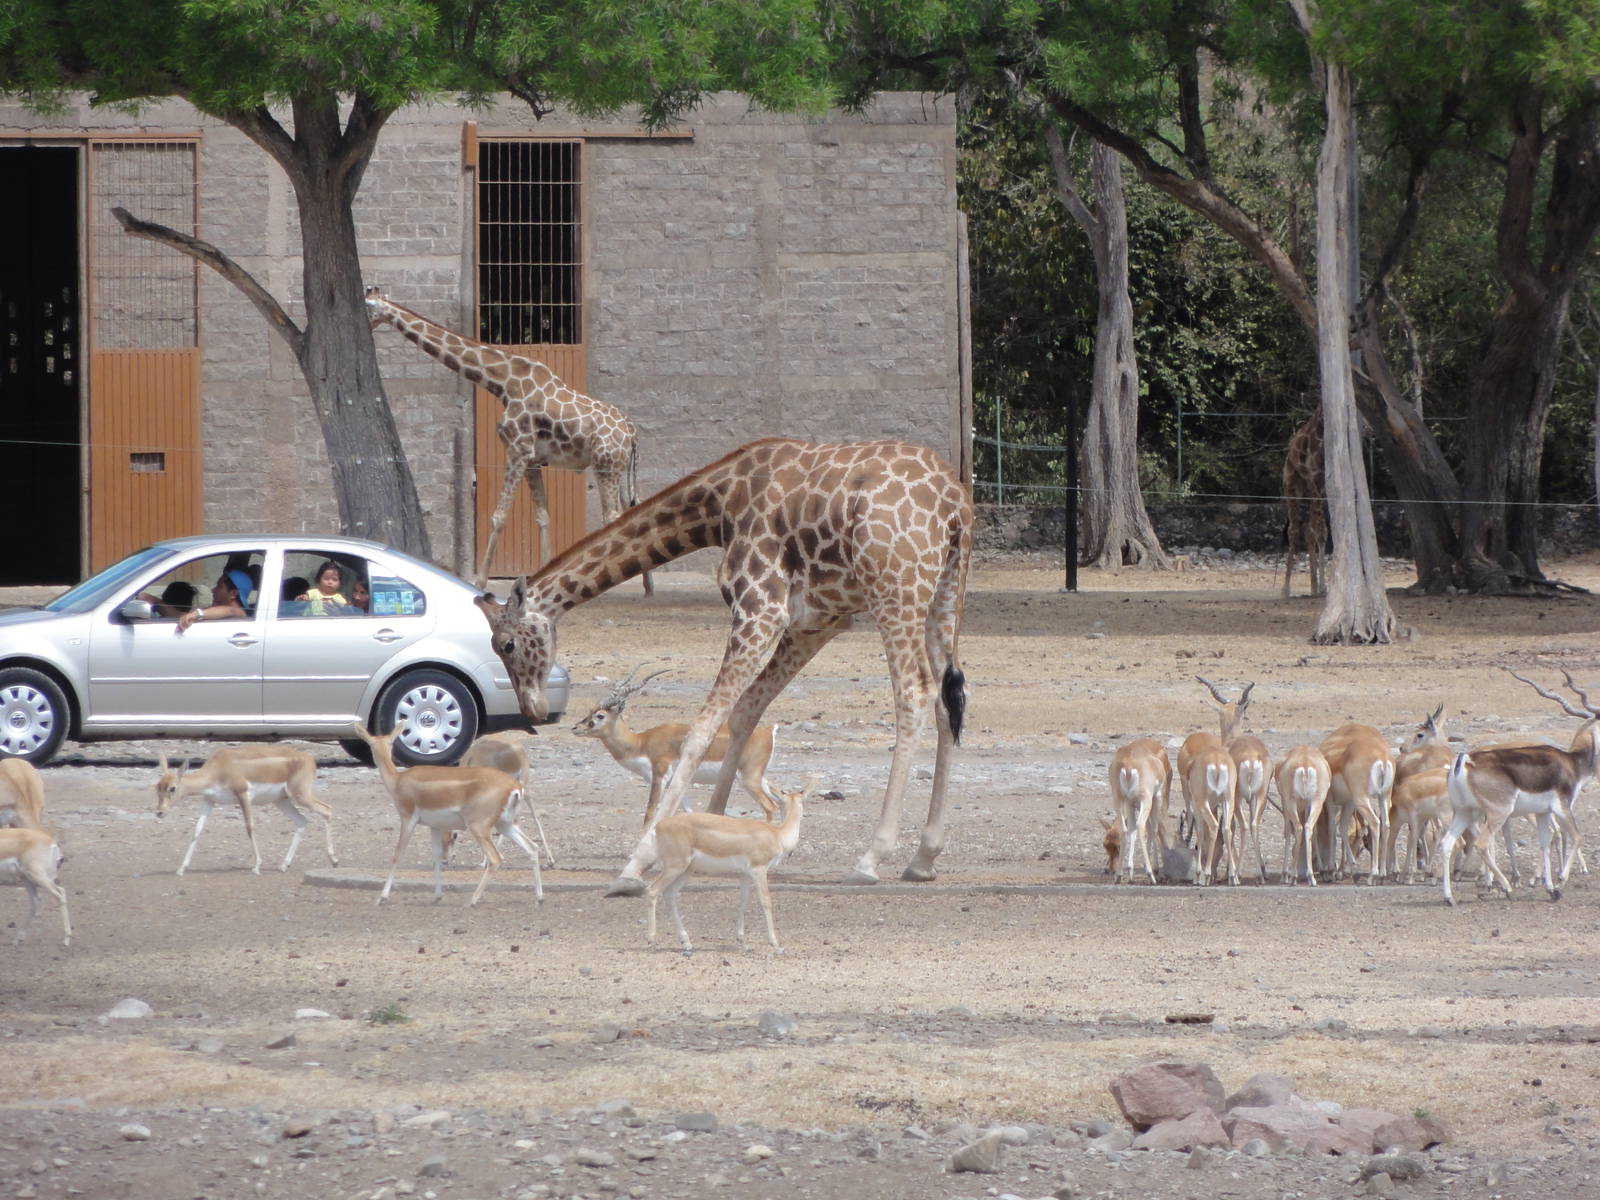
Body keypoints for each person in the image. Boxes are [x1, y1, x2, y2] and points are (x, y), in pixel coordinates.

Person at [177, 569, 252, 632]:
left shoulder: (239, 613)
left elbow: (230, 610)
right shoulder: (219, 611)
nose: (213, 590)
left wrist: (196, 614)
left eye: (219, 586)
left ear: (233, 593)